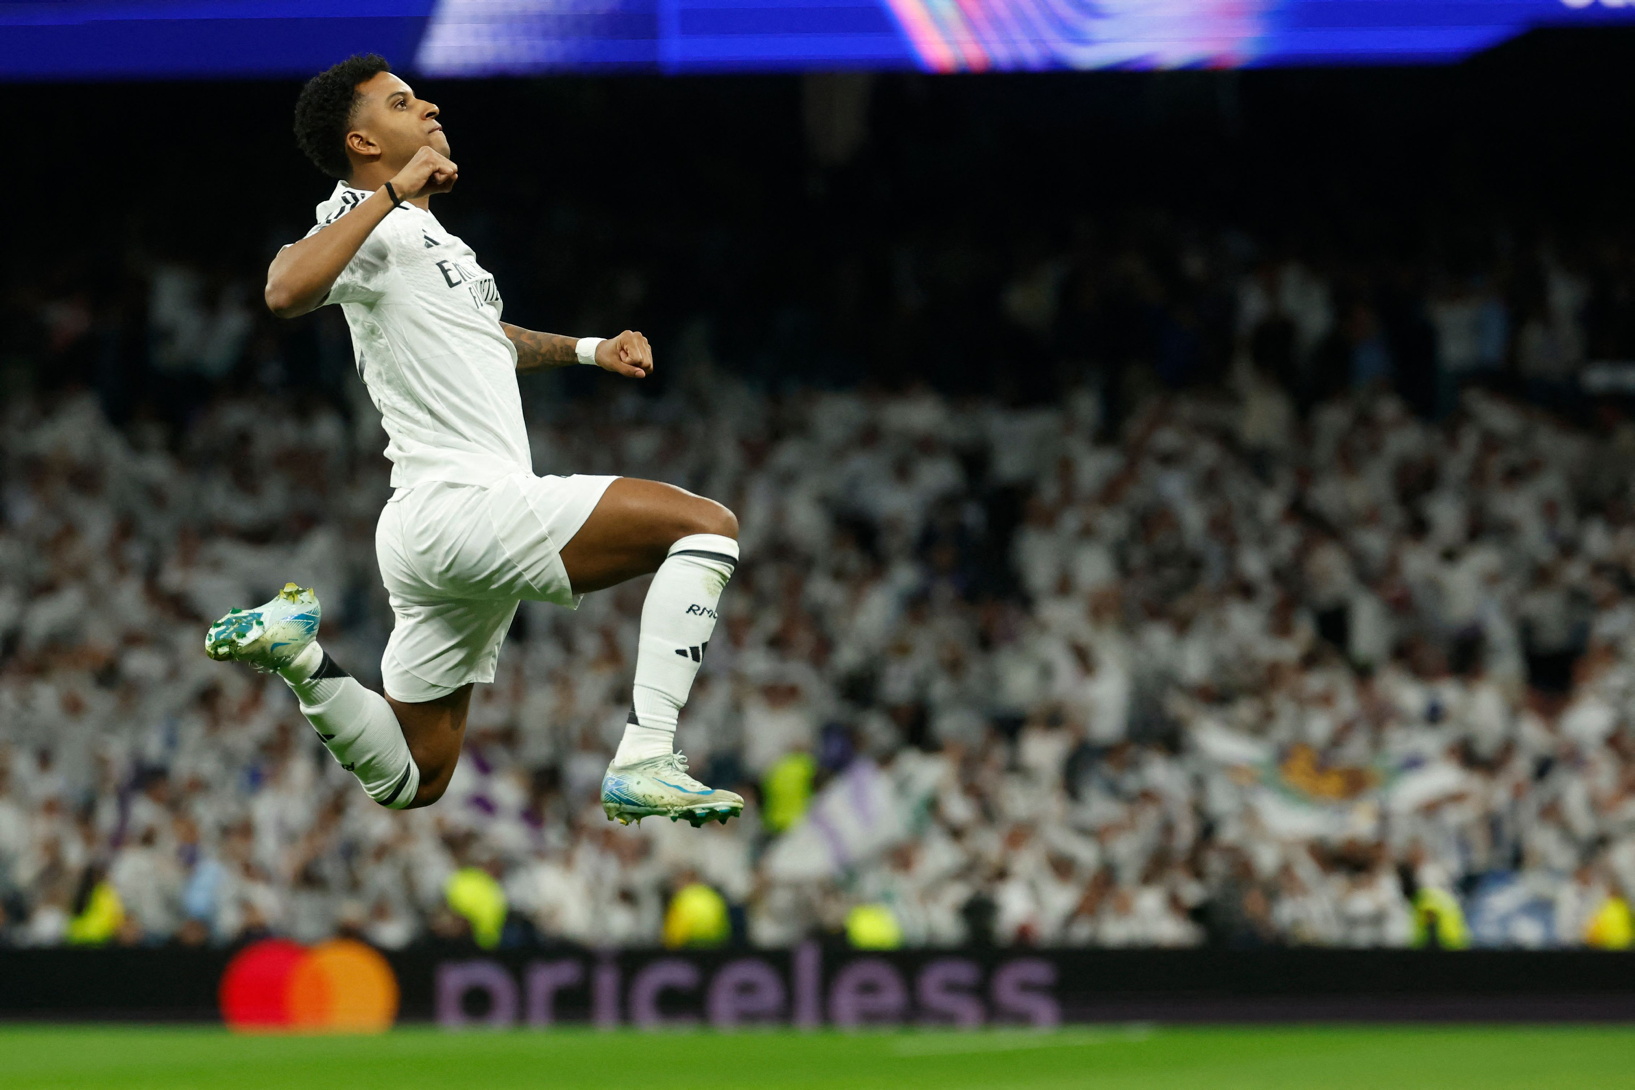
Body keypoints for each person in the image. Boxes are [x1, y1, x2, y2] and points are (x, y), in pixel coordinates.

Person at [204, 54, 742, 828]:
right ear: (362, 142)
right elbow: (284, 289)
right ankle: (646, 753)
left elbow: (489, 338)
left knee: (416, 777)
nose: (427, 107)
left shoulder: (425, 235)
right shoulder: (366, 217)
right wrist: (390, 194)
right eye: (401, 102)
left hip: (437, 532)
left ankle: (298, 656)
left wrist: (590, 348)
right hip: (460, 507)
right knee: (705, 526)